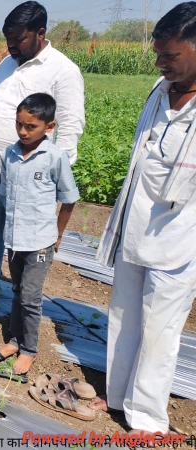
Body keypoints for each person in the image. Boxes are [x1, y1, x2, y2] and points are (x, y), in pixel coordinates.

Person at [91, 2, 196, 437]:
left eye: (170, 56)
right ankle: (116, 398)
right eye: (159, 55)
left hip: (178, 238)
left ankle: (148, 421)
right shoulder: (159, 89)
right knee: (123, 316)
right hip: (134, 226)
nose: (161, 63)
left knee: (160, 330)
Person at [0, 1, 84, 301]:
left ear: (40, 33)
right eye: (8, 39)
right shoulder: (5, 64)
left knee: (24, 239)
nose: (11, 45)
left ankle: (22, 300)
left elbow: (70, 127)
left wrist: (53, 176)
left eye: (19, 39)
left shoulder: (63, 71)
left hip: (29, 175)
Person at [0, 93, 79, 382]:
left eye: (30, 126)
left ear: (49, 126)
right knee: (19, 290)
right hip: (15, 239)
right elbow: (7, 196)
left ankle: (29, 349)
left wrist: (56, 235)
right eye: (19, 124)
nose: (23, 131)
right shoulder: (8, 154)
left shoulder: (55, 157)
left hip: (41, 241)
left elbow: (69, 200)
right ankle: (15, 340)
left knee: (31, 297)